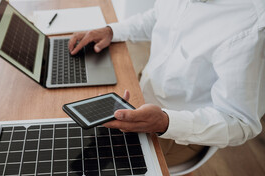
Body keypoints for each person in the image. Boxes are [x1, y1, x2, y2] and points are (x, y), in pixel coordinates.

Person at [68, 0, 265, 166]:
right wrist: (112, 31)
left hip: (182, 132)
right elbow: (157, 17)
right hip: (145, 90)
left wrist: (165, 122)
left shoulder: (251, 26)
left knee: (87, 162)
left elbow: (240, 122)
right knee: (72, 129)